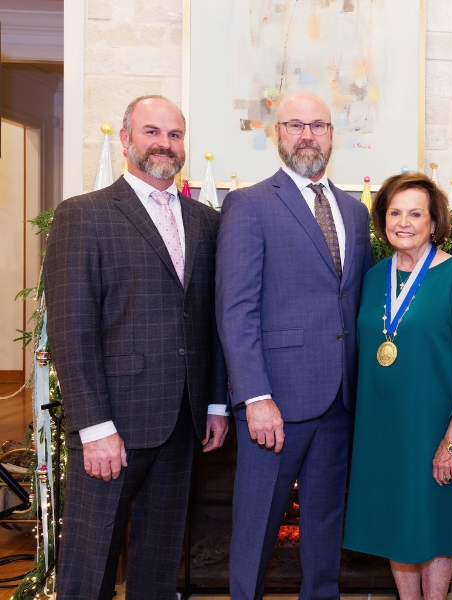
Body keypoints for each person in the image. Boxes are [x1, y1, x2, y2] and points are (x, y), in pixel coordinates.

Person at [43, 95, 229, 599]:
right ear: (126, 140)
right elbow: (70, 326)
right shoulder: (84, 215)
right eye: (151, 132)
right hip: (114, 424)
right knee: (90, 561)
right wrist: (94, 426)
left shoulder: (205, 222)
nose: (164, 145)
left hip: (184, 420)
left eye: (174, 135)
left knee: (159, 561)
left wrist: (215, 401)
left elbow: (212, 320)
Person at [216, 92, 372, 600]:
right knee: (256, 528)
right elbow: (236, 310)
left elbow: (352, 302)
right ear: (277, 133)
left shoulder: (355, 211)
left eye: (318, 126)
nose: (308, 135)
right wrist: (254, 397)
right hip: (274, 403)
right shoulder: (249, 204)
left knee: (325, 529)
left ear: (332, 134)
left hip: (339, 400)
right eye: (296, 125)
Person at [343, 172, 452, 600]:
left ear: (434, 223)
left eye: (416, 213)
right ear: (383, 220)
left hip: (436, 428)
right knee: (397, 524)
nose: (404, 222)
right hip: (382, 428)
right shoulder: (374, 278)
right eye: (395, 212)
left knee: (434, 527)